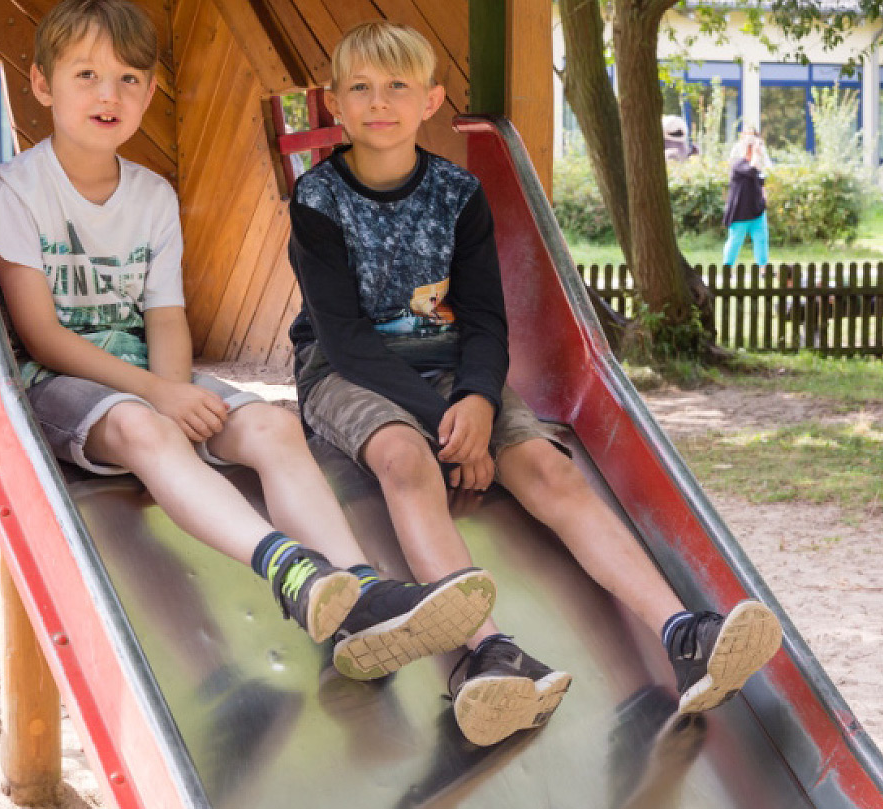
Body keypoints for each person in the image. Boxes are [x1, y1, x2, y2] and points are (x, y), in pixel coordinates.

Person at [287, 21, 783, 747]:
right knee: (404, 457)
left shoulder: (458, 194)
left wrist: (479, 400)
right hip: (345, 371)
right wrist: (446, 424)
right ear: (335, 102)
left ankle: (683, 633)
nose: (379, 102)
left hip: (453, 366)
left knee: (550, 468)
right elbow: (345, 339)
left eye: (397, 86)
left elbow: (487, 318)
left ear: (430, 101)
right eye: (360, 87)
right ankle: (487, 654)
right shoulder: (317, 199)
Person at [0, 0, 497, 681]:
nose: (109, 95)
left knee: (273, 427)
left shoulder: (152, 195)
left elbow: (165, 316)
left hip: (146, 371)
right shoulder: (17, 189)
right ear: (43, 86)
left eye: (129, 79)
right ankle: (291, 569)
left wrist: (177, 390)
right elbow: (42, 337)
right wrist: (160, 396)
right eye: (86, 76)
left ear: (150, 94)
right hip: (58, 383)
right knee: (144, 426)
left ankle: (361, 587)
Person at [723, 127, 771, 267]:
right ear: (749, 148)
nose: (760, 149)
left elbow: (761, 182)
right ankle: (727, 267)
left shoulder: (757, 167)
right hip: (740, 213)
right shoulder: (739, 165)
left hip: (757, 211)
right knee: (735, 241)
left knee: (761, 239)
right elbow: (751, 170)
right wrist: (755, 153)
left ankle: (763, 267)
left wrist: (764, 198)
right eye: (758, 146)